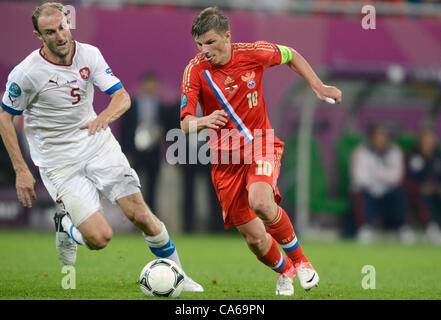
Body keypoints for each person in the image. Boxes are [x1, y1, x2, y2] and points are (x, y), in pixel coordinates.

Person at [0, 2, 202, 292]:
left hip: (97, 145)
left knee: (141, 215)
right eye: (50, 32)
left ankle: (180, 276)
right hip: (58, 161)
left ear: (68, 23)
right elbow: (5, 116)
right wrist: (21, 169)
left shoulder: (89, 54)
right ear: (38, 36)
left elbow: (122, 97)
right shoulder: (26, 73)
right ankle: (66, 225)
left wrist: (104, 117)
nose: (59, 36)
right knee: (99, 238)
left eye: (61, 27)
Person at [179, 7, 342, 296]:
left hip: (260, 145)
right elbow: (185, 124)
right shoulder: (195, 71)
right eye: (199, 45)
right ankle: (285, 272)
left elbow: (291, 55)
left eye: (211, 42)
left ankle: (302, 262)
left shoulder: (254, 53)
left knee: (261, 202)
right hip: (225, 160)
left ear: (228, 36)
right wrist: (203, 121)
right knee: (254, 238)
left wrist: (318, 86)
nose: (205, 50)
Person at [350, 124, 413, 244]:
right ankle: (364, 229)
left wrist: (375, 173)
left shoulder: (395, 151)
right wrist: (384, 175)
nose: (380, 139)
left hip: (388, 191)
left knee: (400, 193)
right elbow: (360, 178)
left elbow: (396, 177)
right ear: (371, 137)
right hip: (368, 191)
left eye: (383, 136)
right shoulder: (361, 151)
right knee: (358, 192)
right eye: (377, 136)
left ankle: (403, 229)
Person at [120, 72, 165, 213]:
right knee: (134, 188)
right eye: (148, 85)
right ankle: (136, 218)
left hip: (153, 152)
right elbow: (124, 130)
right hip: (135, 153)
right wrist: (126, 153)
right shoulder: (131, 105)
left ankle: (152, 219)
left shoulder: (162, 107)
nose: (150, 88)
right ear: (142, 86)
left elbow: (167, 128)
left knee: (153, 190)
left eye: (153, 85)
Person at [404, 128, 441, 244]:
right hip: (416, 191)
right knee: (422, 197)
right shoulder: (411, 156)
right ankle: (430, 227)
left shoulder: (438, 156)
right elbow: (405, 178)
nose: (428, 145)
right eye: (425, 142)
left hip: (436, 190)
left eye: (430, 142)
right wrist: (420, 187)